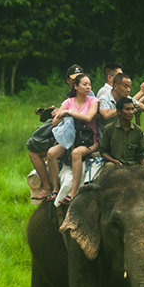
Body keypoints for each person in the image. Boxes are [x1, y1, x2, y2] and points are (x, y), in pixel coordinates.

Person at [46, 73, 99, 204]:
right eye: (84, 84)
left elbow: (88, 118)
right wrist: (60, 114)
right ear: (75, 86)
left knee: (76, 153)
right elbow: (54, 123)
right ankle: (55, 189)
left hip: (89, 139)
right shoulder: (68, 102)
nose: (88, 87)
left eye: (89, 84)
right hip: (71, 138)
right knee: (51, 153)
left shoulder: (93, 101)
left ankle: (73, 191)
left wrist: (68, 112)